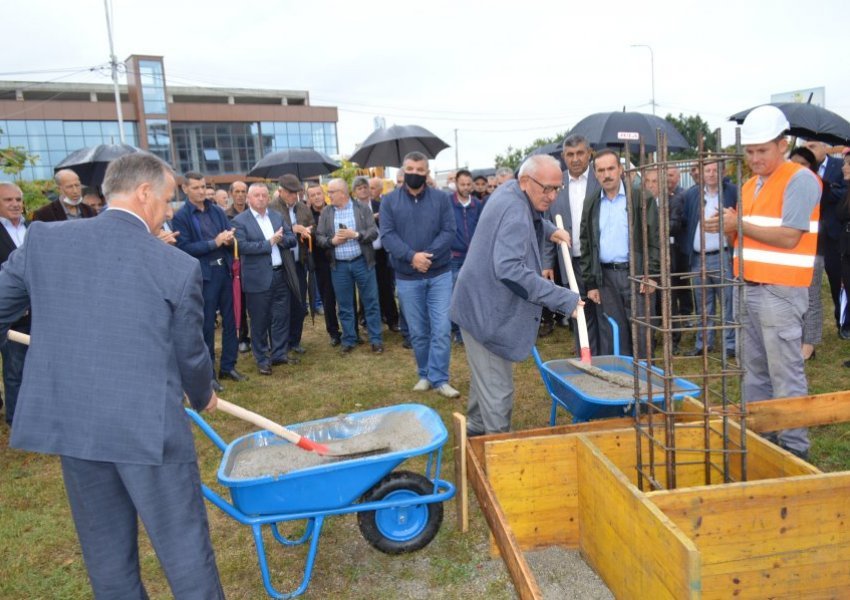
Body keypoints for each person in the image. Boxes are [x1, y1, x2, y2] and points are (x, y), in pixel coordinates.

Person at [0, 152, 224, 599]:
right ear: (143, 194)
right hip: (149, 432)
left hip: (77, 425)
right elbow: (190, 354)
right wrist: (203, 395)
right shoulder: (176, 267)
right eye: (166, 200)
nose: (168, 211)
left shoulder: (45, 241)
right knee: (184, 553)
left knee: (107, 560)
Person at [706, 105, 820, 460]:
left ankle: (795, 451)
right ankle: (762, 442)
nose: (754, 158)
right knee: (754, 372)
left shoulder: (799, 179)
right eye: (750, 151)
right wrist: (730, 228)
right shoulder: (751, 184)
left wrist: (736, 224)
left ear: (782, 145)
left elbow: (789, 236)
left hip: (780, 292)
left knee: (785, 375)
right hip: (750, 288)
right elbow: (747, 238)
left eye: (762, 151)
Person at [452, 155, 580, 435]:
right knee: (499, 394)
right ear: (525, 181)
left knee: (485, 383)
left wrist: (549, 230)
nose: (552, 196)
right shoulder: (515, 211)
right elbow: (510, 269)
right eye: (546, 188)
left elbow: (531, 217)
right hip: (485, 314)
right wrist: (564, 299)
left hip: (477, 303)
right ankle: (499, 458)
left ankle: (474, 436)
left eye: (557, 188)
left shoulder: (512, 191)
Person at [381, 151, 459, 397]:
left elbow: (449, 231)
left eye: (420, 170)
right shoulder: (389, 201)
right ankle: (425, 374)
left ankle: (440, 378)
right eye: (410, 170)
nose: (414, 174)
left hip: (439, 275)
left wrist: (426, 256)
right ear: (403, 172)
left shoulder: (441, 199)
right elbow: (387, 235)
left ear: (427, 172)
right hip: (407, 277)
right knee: (418, 331)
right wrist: (411, 257)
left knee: (442, 328)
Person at [580, 149, 659, 358]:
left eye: (611, 168)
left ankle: (644, 381)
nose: (607, 174)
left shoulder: (641, 198)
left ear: (621, 170)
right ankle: (619, 380)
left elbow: (654, 238)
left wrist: (651, 274)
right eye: (601, 170)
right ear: (595, 174)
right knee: (612, 332)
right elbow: (586, 243)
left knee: (641, 331)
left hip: (635, 274)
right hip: (605, 278)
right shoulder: (591, 203)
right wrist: (591, 283)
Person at [172, 171, 246, 392]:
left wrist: (228, 239)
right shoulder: (182, 216)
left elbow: (227, 234)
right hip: (204, 276)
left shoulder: (216, 210)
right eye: (196, 187)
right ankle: (209, 373)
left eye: (203, 187)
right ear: (185, 189)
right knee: (206, 327)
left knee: (232, 320)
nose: (201, 191)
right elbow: (184, 247)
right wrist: (214, 243)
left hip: (224, 271)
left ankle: (228, 366)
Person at [542, 134, 604, 353]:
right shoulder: (556, 186)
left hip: (599, 261)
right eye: (570, 154)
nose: (575, 159)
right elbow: (549, 226)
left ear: (589, 153)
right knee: (579, 310)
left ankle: (605, 358)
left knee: (602, 312)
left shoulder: (601, 179)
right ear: (563, 157)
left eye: (580, 153)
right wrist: (547, 262)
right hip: (569, 261)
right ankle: (585, 357)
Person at [232, 183, 297, 375]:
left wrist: (281, 239)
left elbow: (292, 238)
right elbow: (242, 248)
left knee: (281, 316)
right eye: (256, 195)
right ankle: (262, 359)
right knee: (259, 320)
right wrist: (269, 243)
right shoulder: (239, 221)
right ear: (249, 199)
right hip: (257, 278)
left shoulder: (276, 216)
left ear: (268, 198)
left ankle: (279, 354)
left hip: (280, 274)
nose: (261, 198)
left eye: (264, 195)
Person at [316, 178, 384, 354]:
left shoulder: (362, 208)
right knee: (345, 305)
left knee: (371, 302)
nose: (328, 195)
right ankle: (349, 339)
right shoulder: (326, 212)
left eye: (331, 192)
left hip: (362, 262)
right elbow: (319, 237)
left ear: (343, 193)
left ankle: (376, 340)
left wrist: (356, 235)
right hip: (339, 266)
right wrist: (332, 241)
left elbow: (373, 232)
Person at [681, 161, 737, 358]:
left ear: (723, 172)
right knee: (703, 302)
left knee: (729, 301)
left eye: (715, 170)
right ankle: (704, 344)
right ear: (701, 173)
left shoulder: (732, 193)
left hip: (722, 255)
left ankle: (731, 345)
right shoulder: (692, 195)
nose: (711, 174)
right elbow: (685, 222)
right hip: (699, 258)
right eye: (708, 170)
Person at [804, 140, 849, 337]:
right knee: (809, 285)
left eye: (813, 146)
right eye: (806, 147)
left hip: (832, 234)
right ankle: (809, 326)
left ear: (825, 147)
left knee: (837, 279)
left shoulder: (840, 166)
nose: (809, 150)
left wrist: (822, 188)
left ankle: (843, 323)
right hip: (807, 234)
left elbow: (843, 192)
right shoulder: (801, 168)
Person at [272, 174, 313, 355]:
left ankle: (295, 340)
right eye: (289, 193)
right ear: (280, 191)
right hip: (282, 263)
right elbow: (273, 231)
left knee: (299, 304)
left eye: (296, 192)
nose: (293, 196)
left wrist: (308, 230)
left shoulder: (302, 207)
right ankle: (281, 342)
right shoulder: (271, 208)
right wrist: (293, 228)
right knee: (282, 305)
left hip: (299, 262)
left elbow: (313, 225)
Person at [790, 147, 823, 360]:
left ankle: (809, 345)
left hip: (812, 251)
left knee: (811, 300)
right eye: (793, 163)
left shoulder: (815, 184)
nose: (796, 168)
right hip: (792, 252)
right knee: (794, 300)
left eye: (802, 164)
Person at [0, 182, 29, 427]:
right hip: (11, 316)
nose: (15, 204)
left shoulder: (33, 230)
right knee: (14, 369)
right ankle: (17, 420)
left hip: (38, 313)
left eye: (18, 199)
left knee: (36, 365)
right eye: (8, 200)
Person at [449, 169, 482, 344]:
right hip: (454, 257)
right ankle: (456, 330)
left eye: (469, 184)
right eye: (462, 184)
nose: (466, 187)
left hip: (473, 257)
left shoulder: (477, 204)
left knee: (471, 294)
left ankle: (470, 329)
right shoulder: (448, 203)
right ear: (456, 184)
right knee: (455, 294)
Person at [307, 183, 341, 346]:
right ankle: (334, 332)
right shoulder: (307, 217)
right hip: (321, 262)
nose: (316, 197)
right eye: (312, 195)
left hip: (339, 258)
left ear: (324, 194)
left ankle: (351, 329)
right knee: (328, 299)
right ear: (309, 198)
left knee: (345, 297)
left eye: (318, 193)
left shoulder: (334, 209)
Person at [369, 176, 400, 331]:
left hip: (382, 252)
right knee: (368, 289)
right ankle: (371, 319)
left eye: (373, 188)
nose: (369, 190)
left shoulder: (382, 204)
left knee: (385, 286)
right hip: (366, 252)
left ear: (380, 189)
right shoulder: (359, 207)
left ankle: (392, 319)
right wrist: (371, 218)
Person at [225, 180, 251, 353]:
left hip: (253, 262)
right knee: (239, 301)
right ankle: (243, 337)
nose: (240, 195)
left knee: (255, 302)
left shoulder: (253, 213)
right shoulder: (225, 216)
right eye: (237, 191)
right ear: (231, 194)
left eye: (243, 191)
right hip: (235, 265)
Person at [32, 169, 97, 222]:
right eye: (69, 187)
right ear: (59, 189)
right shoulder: (44, 214)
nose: (75, 191)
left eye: (77, 185)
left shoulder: (91, 211)